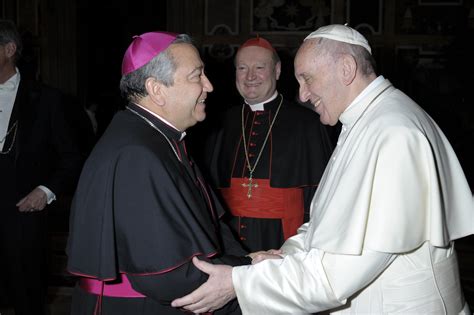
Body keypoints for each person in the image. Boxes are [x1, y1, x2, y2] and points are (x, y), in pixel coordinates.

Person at [171, 24, 474, 314]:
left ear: (346, 69)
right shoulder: (368, 120)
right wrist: (283, 255)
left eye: (308, 78)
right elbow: (331, 223)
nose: (301, 94)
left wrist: (239, 282)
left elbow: (335, 276)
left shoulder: (392, 133)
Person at [66, 31, 251, 315]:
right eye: (196, 76)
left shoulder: (159, 138)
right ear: (156, 89)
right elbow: (168, 278)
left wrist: (247, 262)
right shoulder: (136, 155)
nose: (209, 86)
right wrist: (249, 275)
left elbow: (211, 226)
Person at [204, 36, 333, 252]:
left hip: (284, 241)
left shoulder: (308, 124)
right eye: (242, 68)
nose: (250, 76)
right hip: (228, 243)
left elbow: (323, 197)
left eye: (260, 67)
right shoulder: (219, 122)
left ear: (277, 71)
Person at [0, 19, 82, 315]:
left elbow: (72, 157)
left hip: (24, 215)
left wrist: (46, 191)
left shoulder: (47, 99)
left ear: (9, 49)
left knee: (27, 299)